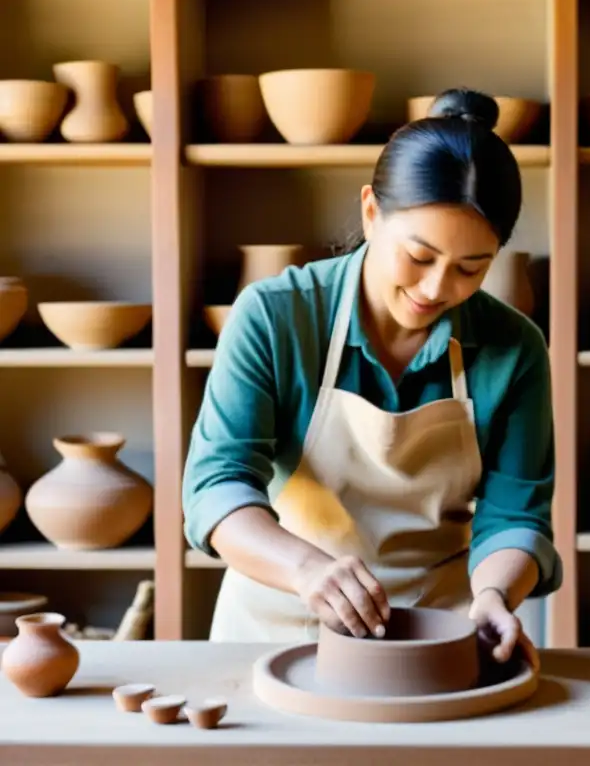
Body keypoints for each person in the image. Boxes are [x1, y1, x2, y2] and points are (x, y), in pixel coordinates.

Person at [181, 88, 562, 665]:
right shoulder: (276, 315)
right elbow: (216, 485)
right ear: (370, 212)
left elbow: (515, 513)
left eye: (470, 268)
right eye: (418, 255)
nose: (437, 289)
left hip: (434, 633)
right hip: (277, 620)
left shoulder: (515, 348)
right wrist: (307, 569)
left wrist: (493, 594)